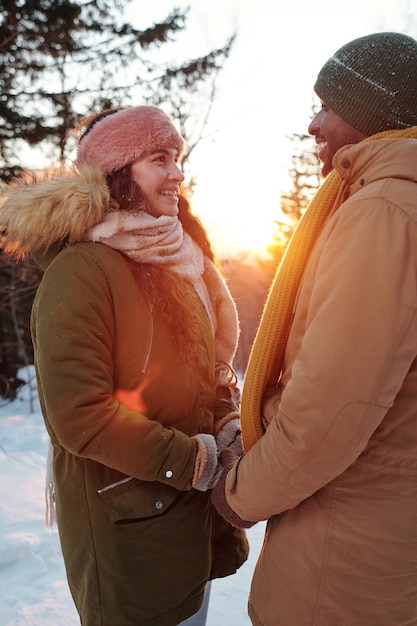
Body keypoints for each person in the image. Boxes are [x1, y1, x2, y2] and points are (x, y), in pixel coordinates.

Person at [0, 105, 249, 626]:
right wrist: (195, 462)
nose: (178, 173)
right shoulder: (81, 271)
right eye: (160, 158)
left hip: (187, 518)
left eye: (176, 157)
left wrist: (225, 418)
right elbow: (80, 416)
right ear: (118, 171)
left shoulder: (177, 257)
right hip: (129, 527)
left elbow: (205, 366)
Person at [212, 31, 417, 625]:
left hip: (344, 550)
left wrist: (241, 492)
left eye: (326, 105)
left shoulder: (383, 213)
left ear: (371, 112)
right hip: (380, 531)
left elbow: (332, 404)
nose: (313, 124)